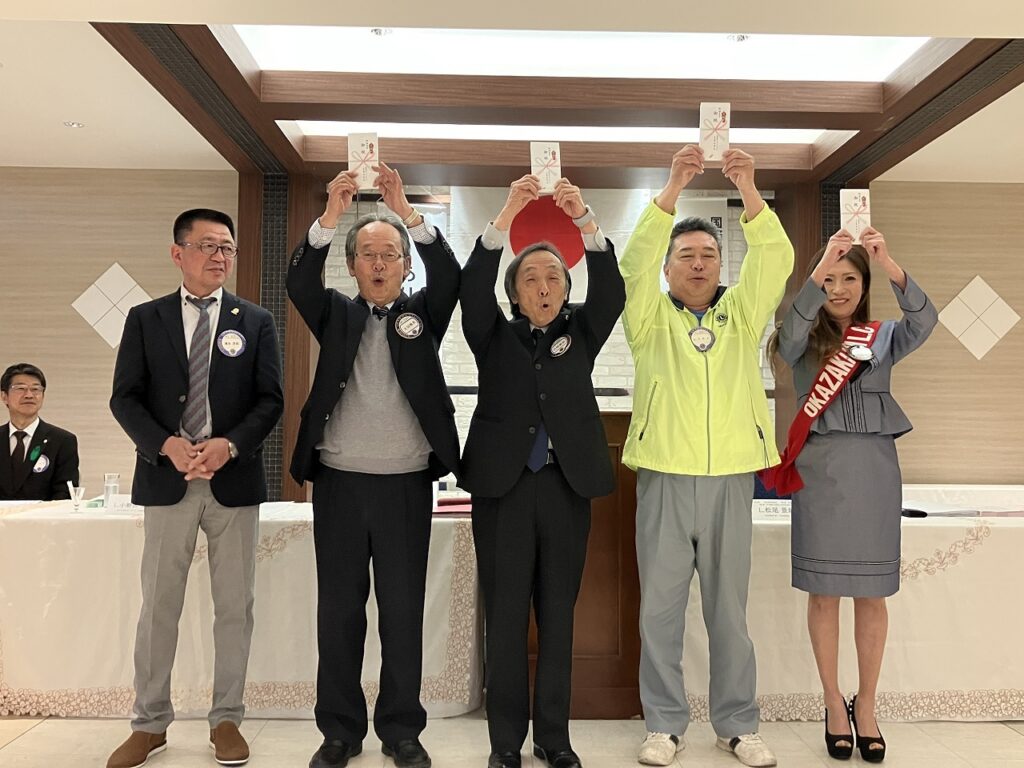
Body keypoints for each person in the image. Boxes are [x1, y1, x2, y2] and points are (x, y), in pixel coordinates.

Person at [619, 145, 793, 768]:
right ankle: (664, 726)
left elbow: (776, 259)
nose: (698, 264)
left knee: (729, 614)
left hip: (729, 481)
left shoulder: (742, 315)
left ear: (723, 265)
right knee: (659, 612)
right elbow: (632, 264)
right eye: (686, 255)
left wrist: (748, 189)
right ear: (668, 267)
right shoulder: (647, 318)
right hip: (665, 475)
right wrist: (672, 188)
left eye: (709, 255)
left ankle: (737, 725)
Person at [288, 165, 461, 768]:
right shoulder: (335, 313)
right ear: (353, 265)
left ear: (406, 265)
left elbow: (451, 276)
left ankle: (401, 729)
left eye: (391, 254)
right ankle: (339, 731)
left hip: (406, 485)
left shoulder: (424, 314)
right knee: (338, 613)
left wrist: (407, 211)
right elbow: (299, 281)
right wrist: (331, 214)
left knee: (402, 613)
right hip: (339, 482)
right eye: (368, 254)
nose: (380, 263)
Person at [107, 208, 284, 768]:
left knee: (235, 607)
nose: (219, 256)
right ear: (178, 252)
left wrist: (230, 444)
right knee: (159, 606)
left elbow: (270, 400)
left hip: (233, 482)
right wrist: (166, 444)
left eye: (227, 247)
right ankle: (149, 723)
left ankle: (226, 719)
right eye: (207, 245)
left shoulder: (254, 320)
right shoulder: (146, 318)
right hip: (168, 480)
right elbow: (124, 397)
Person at [460, 175, 625, 768]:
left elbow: (611, 293)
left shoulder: (582, 333)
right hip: (502, 491)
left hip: (564, 486)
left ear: (566, 289)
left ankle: (554, 739)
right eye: (530, 278)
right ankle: (505, 743)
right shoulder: (491, 335)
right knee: (505, 618)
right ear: (514, 293)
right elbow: (471, 286)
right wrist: (507, 214)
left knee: (558, 617)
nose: (543, 285)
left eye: (553, 276)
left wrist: (584, 220)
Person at [764, 226, 937, 763]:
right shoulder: (798, 338)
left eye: (849, 279)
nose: (838, 289)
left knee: (871, 593)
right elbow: (789, 334)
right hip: (821, 473)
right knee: (824, 593)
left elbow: (925, 321)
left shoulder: (883, 337)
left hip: (875, 473)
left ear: (864, 285)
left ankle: (867, 705)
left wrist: (888, 262)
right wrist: (816, 272)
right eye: (829, 280)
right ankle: (832, 702)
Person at [1, 362, 79, 501]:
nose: (29, 395)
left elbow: (65, 493)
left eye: (36, 389)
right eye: (20, 388)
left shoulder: (63, 441)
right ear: (4, 396)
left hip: (45, 515)